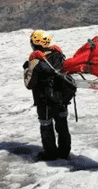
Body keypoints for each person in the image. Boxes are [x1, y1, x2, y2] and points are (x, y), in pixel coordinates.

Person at [23, 30, 72, 161]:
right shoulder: (58, 55)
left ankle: (50, 154)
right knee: (62, 125)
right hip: (61, 99)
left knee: (46, 126)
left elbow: (29, 84)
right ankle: (64, 152)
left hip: (44, 100)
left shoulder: (36, 60)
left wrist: (27, 67)